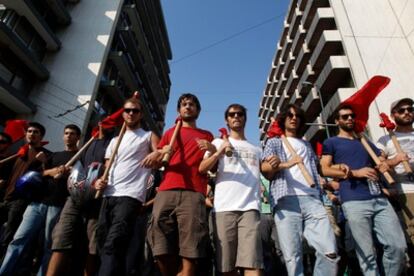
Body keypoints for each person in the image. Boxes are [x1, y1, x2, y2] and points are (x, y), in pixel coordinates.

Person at [320, 104, 407, 276]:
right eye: (345, 117)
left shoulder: (364, 140)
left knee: (398, 246)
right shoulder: (331, 142)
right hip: (353, 201)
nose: (350, 119)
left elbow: (380, 161)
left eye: (352, 116)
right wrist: (354, 172)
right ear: (337, 121)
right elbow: (324, 169)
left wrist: (385, 163)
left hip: (379, 198)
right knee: (367, 253)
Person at [261, 104, 338, 276]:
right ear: (283, 119)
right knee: (292, 256)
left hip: (313, 199)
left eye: (297, 116)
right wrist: (280, 164)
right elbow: (265, 169)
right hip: (286, 199)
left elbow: (318, 169)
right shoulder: (274, 142)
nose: (294, 118)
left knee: (329, 251)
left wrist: (339, 171)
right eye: (289, 115)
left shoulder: (306, 144)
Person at [145, 93, 214, 276]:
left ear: (198, 110)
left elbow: (211, 164)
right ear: (179, 110)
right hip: (167, 190)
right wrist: (158, 154)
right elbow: (158, 163)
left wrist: (213, 149)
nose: (188, 107)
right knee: (159, 241)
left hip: (194, 191)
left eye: (192, 104)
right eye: (184, 104)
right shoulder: (169, 133)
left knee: (192, 243)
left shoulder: (207, 135)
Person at [0, 124, 80, 275]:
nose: (69, 136)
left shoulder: (80, 158)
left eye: (73, 133)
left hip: (58, 205)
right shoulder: (54, 155)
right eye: (66, 133)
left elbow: (80, 180)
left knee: (47, 246)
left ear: (78, 137)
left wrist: (71, 172)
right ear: (63, 136)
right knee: (18, 239)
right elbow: (39, 174)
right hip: (37, 203)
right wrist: (51, 170)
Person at [93, 97, 159, 276]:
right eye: (128, 110)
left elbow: (161, 157)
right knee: (102, 240)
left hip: (130, 196)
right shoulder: (115, 140)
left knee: (113, 243)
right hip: (108, 194)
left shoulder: (147, 136)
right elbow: (107, 166)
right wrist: (98, 182)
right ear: (122, 113)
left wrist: (158, 153)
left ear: (140, 114)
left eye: (135, 110)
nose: (131, 113)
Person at [199, 104, 263, 275]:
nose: (236, 117)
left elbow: (267, 172)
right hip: (223, 208)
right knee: (226, 267)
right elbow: (202, 168)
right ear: (226, 120)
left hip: (250, 208)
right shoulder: (218, 142)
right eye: (232, 114)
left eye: (240, 114)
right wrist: (218, 152)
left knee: (253, 264)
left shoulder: (256, 148)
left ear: (244, 118)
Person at [47, 130, 113, 276]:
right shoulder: (87, 145)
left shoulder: (114, 143)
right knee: (61, 238)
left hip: (99, 198)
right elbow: (79, 167)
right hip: (76, 196)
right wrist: (69, 170)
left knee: (93, 244)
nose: (102, 127)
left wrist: (103, 180)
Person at [0, 122, 50, 259]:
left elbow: (48, 175)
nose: (31, 134)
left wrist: (43, 162)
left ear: (41, 136)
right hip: (6, 197)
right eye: (29, 131)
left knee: (8, 236)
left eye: (35, 132)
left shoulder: (45, 155)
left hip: (20, 200)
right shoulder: (20, 152)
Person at [376, 98, 414, 269]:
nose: (407, 112)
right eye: (401, 110)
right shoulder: (385, 140)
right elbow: (379, 165)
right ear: (393, 115)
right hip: (406, 191)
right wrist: (395, 160)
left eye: (410, 109)